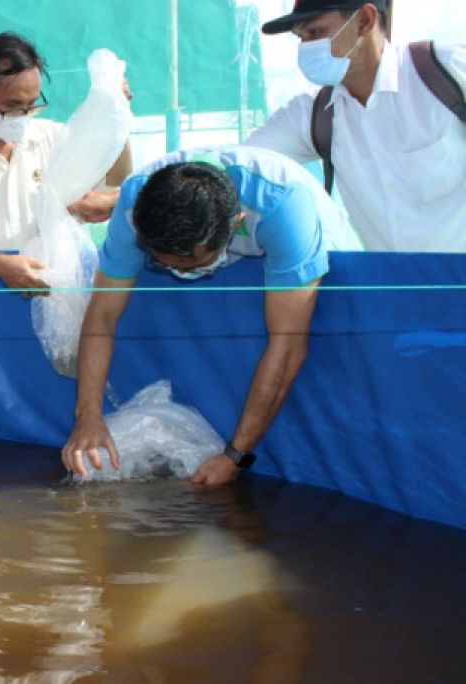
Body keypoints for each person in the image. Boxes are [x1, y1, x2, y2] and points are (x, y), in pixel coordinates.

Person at [61, 146, 361, 487]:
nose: (178, 273)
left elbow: (288, 345)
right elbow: (102, 316)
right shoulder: (134, 207)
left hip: (292, 237)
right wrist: (88, 416)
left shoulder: (283, 207)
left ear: (236, 225)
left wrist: (236, 455)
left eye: (191, 265)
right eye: (165, 264)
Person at [245, 0, 466, 252]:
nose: (307, 48)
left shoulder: (448, 72)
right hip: (391, 285)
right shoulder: (313, 115)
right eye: (301, 38)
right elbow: (239, 163)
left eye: (316, 32)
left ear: (364, 21)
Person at [0, 32, 133, 292]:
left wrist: (118, 120)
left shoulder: (54, 139)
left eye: (31, 105)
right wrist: (0, 266)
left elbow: (114, 182)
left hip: (57, 293)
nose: (23, 116)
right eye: (12, 106)